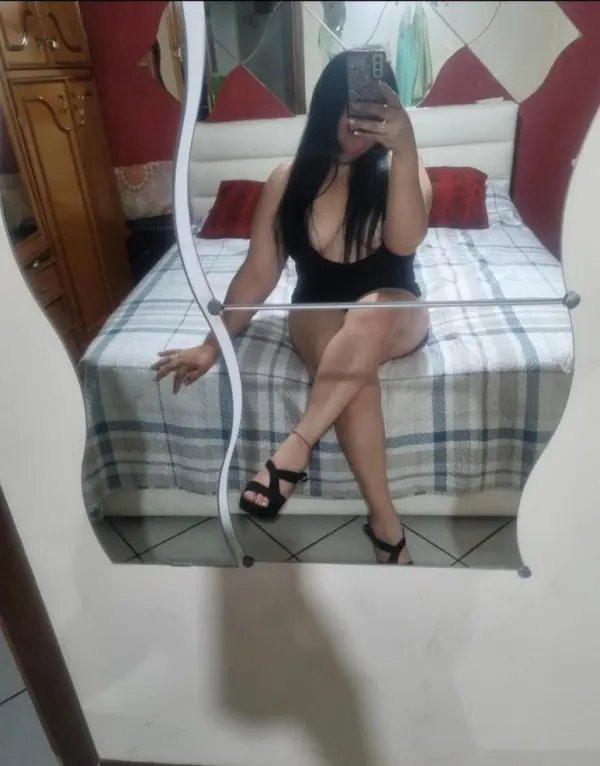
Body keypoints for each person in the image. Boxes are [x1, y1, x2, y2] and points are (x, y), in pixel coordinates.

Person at [152, 50, 432, 565]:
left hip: (395, 308)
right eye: (349, 107)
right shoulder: (288, 180)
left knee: (368, 315)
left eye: (373, 107)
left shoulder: (405, 170)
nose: (359, 120)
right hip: (317, 308)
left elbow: (405, 240)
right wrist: (213, 343)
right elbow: (258, 274)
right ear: (326, 107)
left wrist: (407, 148)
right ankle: (385, 525)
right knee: (352, 377)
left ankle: (296, 446)